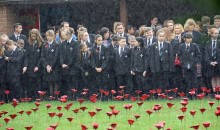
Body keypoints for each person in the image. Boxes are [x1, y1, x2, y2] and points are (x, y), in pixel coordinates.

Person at [59, 27, 79, 95]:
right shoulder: (63, 43)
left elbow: (74, 55)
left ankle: (74, 95)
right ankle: (68, 95)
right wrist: (62, 63)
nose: (63, 36)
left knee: (73, 82)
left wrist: (68, 65)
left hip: (73, 66)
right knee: (67, 82)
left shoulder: (75, 43)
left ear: (69, 35)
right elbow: (60, 54)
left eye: (64, 35)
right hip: (64, 67)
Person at [25, 29, 44, 99]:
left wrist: (37, 66)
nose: (33, 37)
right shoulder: (27, 43)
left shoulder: (41, 43)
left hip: (38, 66)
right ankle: (30, 97)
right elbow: (26, 55)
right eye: (32, 36)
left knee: (38, 82)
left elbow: (41, 56)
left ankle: (38, 97)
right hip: (30, 66)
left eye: (34, 36)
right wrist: (25, 66)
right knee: (30, 82)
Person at [41, 30, 59, 97]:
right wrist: (47, 66)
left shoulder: (56, 44)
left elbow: (56, 56)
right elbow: (42, 56)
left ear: (53, 36)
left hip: (54, 66)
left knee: (55, 82)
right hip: (47, 66)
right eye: (47, 36)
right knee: (49, 82)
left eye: (50, 36)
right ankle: (51, 96)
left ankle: (56, 96)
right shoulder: (44, 45)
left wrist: (51, 66)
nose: (48, 37)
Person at [204, 28, 220, 93]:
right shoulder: (207, 43)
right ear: (211, 34)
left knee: (218, 77)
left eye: (218, 33)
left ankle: (218, 91)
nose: (217, 34)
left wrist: (217, 61)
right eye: (215, 33)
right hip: (210, 62)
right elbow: (206, 53)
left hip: (218, 62)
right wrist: (210, 62)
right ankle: (214, 91)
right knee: (212, 77)